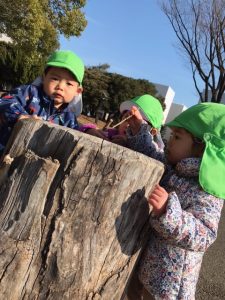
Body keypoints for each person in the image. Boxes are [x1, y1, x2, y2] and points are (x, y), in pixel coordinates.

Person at [126, 102, 225, 300]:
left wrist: (168, 212)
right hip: (148, 266)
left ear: (202, 147)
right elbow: (152, 155)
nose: (169, 141)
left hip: (170, 287)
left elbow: (204, 234)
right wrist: (140, 131)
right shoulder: (176, 167)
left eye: (177, 137)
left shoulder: (207, 188)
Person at [0, 50, 84, 157]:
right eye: (55, 78)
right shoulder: (29, 93)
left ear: (78, 91)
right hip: (4, 151)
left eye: (69, 83)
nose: (60, 87)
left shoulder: (69, 119)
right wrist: (19, 116)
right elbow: (5, 101)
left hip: (33, 164)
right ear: (44, 78)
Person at [80, 94, 165, 150]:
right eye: (127, 118)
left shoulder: (150, 149)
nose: (128, 124)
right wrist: (89, 130)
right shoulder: (111, 135)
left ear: (153, 132)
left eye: (136, 122)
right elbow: (82, 128)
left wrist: (127, 145)